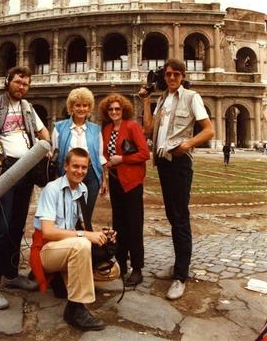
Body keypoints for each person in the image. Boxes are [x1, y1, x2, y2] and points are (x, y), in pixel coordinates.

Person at [0, 66, 50, 310]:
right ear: (8, 82)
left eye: (26, 84)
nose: (22, 87)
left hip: (24, 169)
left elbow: (43, 132)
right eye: (18, 82)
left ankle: (11, 273)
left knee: (17, 225)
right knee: (0, 227)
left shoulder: (28, 108)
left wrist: (44, 148)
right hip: (0, 170)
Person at [140, 58, 214, 300]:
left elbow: (209, 130)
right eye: (168, 75)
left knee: (180, 217)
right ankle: (177, 266)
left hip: (180, 162)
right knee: (173, 216)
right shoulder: (162, 100)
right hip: (163, 162)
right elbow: (148, 130)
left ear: (182, 76)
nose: (172, 78)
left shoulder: (192, 97)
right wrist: (145, 99)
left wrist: (188, 144)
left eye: (176, 75)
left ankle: (181, 276)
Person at [30, 147, 113, 331]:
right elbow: (48, 232)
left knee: (113, 271)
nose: (80, 171)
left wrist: (102, 234)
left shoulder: (83, 189)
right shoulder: (52, 189)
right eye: (75, 166)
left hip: (67, 248)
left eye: (84, 167)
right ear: (65, 166)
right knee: (82, 243)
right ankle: (75, 308)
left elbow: (82, 226)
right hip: (46, 250)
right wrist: (85, 235)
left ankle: (63, 281)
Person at [99, 93, 150, 287]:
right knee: (119, 224)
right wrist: (104, 177)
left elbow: (145, 153)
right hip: (115, 180)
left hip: (132, 182)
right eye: (111, 109)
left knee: (134, 225)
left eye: (117, 109)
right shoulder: (108, 129)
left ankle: (137, 269)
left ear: (124, 110)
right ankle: (121, 263)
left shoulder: (132, 126)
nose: (114, 112)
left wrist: (123, 159)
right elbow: (104, 155)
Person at [52, 87, 107, 221]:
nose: (81, 109)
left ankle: (84, 240)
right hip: (67, 174)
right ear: (71, 107)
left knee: (86, 215)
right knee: (67, 213)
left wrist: (104, 180)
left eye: (85, 105)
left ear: (89, 108)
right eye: (78, 105)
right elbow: (55, 154)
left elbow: (100, 156)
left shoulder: (95, 129)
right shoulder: (59, 127)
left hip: (91, 175)